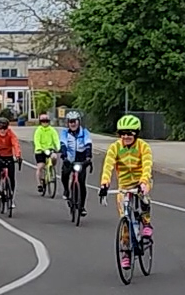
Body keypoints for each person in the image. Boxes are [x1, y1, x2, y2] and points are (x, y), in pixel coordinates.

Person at [99, 115, 154, 265]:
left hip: (140, 181)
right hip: (124, 185)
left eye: (129, 133)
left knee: (144, 196)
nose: (126, 136)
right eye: (122, 133)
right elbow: (108, 166)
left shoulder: (143, 146)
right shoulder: (115, 147)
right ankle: (125, 253)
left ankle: (147, 223)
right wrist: (104, 184)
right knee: (124, 218)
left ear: (136, 133)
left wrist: (143, 182)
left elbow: (147, 165)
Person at [59, 110, 93, 215]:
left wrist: (88, 158)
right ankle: (66, 190)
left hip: (81, 159)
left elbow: (88, 144)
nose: (73, 124)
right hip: (69, 158)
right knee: (64, 174)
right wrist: (64, 156)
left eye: (75, 121)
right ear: (68, 123)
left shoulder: (84, 132)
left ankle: (82, 206)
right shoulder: (64, 133)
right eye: (70, 122)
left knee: (82, 184)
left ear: (79, 122)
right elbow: (63, 144)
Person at [0, 117, 22, 204]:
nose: (3, 131)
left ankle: (11, 197)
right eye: (1, 129)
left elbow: (15, 144)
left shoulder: (10, 134)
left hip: (8, 155)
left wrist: (18, 155)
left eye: (4, 129)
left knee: (12, 177)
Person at [33, 113, 60, 193]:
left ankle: (51, 168)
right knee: (40, 167)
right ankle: (39, 184)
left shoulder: (52, 130)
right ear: (40, 122)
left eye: (46, 121)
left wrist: (58, 148)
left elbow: (56, 139)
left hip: (50, 149)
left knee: (54, 157)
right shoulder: (38, 130)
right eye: (43, 121)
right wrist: (39, 148)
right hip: (40, 150)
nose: (45, 123)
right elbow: (36, 140)